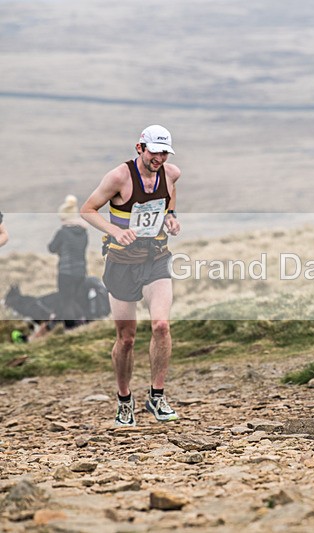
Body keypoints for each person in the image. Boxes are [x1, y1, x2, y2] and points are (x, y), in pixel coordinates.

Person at [80, 125, 182, 427]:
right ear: (140, 148)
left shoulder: (171, 173)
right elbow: (88, 209)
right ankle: (125, 400)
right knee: (126, 339)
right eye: (154, 152)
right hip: (121, 263)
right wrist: (115, 231)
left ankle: (157, 396)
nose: (159, 158)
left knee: (161, 326)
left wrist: (171, 217)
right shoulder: (119, 177)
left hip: (156, 258)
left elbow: (170, 196)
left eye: (164, 152)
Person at [48, 195, 88, 327]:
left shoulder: (63, 232)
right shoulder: (83, 232)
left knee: (67, 301)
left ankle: (71, 328)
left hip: (66, 272)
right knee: (74, 299)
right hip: (81, 272)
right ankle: (83, 321)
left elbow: (52, 248)